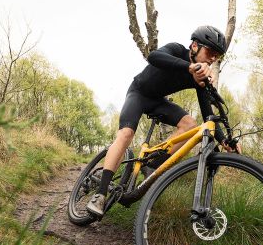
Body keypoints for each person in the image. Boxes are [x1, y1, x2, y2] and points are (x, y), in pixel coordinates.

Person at [87, 25, 234, 216]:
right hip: (138, 94)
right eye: (210, 52)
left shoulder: (199, 78)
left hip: (158, 102)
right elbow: (154, 57)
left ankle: (151, 164)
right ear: (194, 46)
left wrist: (224, 140)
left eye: (217, 56)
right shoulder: (176, 50)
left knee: (190, 124)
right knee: (126, 134)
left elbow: (208, 117)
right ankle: (100, 194)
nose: (213, 58)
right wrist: (189, 67)